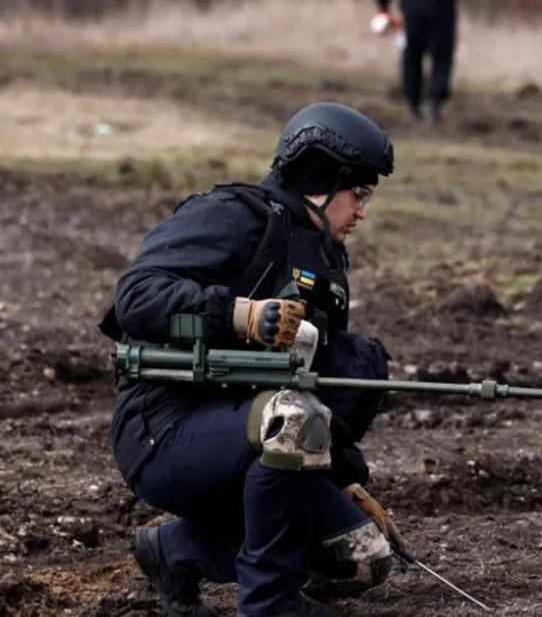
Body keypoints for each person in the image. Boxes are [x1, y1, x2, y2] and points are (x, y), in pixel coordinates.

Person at [99, 102, 410, 617]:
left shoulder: (324, 260)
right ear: (322, 180)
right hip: (164, 428)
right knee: (292, 418)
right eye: (359, 194)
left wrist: (343, 477)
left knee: (360, 556)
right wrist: (240, 314)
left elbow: (318, 379)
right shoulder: (233, 216)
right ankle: (269, 604)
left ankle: (175, 549)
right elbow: (137, 295)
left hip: (254, 431)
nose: (362, 211)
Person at [373, 0, 485, 122]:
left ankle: (413, 102)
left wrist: (383, 3)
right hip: (442, 8)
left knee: (412, 56)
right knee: (442, 56)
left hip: (412, 9)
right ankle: (434, 101)